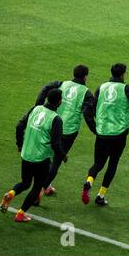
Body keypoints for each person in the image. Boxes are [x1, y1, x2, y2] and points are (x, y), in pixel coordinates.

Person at [81, 63, 129, 206]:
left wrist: (96, 127)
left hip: (102, 133)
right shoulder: (126, 88)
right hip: (119, 134)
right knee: (113, 163)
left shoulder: (101, 87)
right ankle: (101, 195)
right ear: (123, 74)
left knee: (98, 163)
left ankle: (89, 181)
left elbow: (91, 108)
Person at [0, 89, 67, 222]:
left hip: (26, 154)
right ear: (59, 102)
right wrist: (62, 156)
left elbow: (19, 126)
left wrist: (20, 145)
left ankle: (11, 193)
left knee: (25, 182)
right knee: (37, 187)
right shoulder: (56, 119)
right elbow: (55, 143)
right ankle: (20, 214)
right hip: (41, 158)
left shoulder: (35, 109)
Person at [35, 64, 96, 196]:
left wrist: (38, 105)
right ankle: (40, 189)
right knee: (56, 160)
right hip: (68, 131)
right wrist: (95, 130)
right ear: (85, 77)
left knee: (46, 156)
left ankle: (45, 185)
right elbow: (88, 114)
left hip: (51, 125)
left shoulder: (62, 84)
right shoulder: (86, 93)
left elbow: (45, 88)